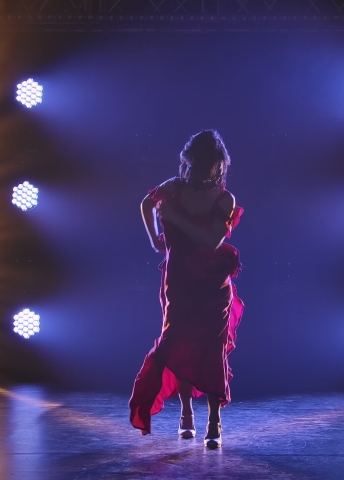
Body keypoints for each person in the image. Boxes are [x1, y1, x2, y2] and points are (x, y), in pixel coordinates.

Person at [128, 130, 245, 449]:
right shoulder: (174, 187)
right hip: (179, 281)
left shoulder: (225, 198)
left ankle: (214, 419)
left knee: (212, 349)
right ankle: (186, 413)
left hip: (212, 286)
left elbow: (211, 240)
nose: (200, 170)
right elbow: (146, 203)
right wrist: (156, 240)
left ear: (218, 165)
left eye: (207, 164)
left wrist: (174, 219)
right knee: (179, 344)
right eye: (195, 163)